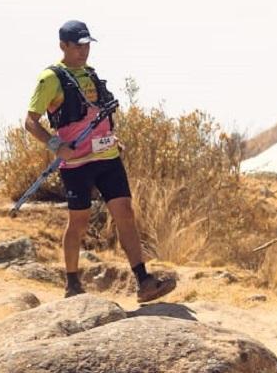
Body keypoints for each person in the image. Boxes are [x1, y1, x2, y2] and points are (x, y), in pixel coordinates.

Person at [24, 20, 175, 303]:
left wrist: (111, 137)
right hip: (77, 164)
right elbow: (30, 122)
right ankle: (72, 284)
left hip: (107, 157)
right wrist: (56, 146)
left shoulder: (91, 74)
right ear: (63, 46)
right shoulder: (50, 78)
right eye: (78, 45)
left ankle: (144, 282)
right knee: (78, 222)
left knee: (125, 214)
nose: (84, 51)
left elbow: (97, 114)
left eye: (87, 45)